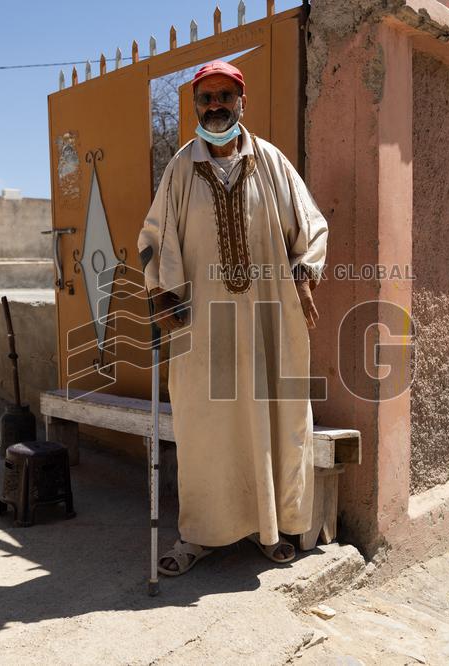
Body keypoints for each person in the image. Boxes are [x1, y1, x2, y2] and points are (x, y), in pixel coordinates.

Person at [136, 60, 328, 576]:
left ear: (241, 102)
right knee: (205, 430)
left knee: (272, 421)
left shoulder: (270, 162)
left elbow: (310, 227)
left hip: (268, 323)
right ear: (196, 106)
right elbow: (156, 238)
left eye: (225, 96)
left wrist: (305, 277)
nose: (215, 105)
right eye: (206, 98)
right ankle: (199, 535)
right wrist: (163, 294)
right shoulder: (180, 168)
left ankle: (270, 529)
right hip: (201, 328)